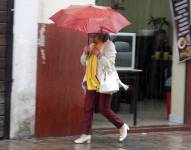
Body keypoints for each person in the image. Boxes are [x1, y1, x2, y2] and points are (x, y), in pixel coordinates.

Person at [74, 33, 129, 144]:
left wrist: (99, 55)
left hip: (104, 81)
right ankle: (86, 134)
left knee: (104, 109)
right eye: (92, 35)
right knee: (88, 108)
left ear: (102, 35)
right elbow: (83, 62)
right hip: (91, 81)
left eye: (95, 35)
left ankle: (122, 126)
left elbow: (110, 65)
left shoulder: (109, 45)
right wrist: (85, 53)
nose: (93, 37)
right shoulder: (91, 45)